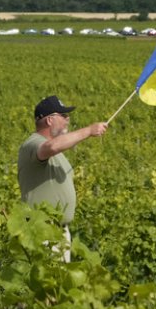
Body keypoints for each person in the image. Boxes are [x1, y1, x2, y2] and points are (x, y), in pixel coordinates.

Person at [17, 95, 108, 261]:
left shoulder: (57, 152)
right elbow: (51, 147)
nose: (68, 119)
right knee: (47, 283)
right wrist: (88, 131)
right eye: (63, 115)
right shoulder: (33, 143)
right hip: (42, 231)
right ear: (50, 120)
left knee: (57, 283)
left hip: (58, 232)